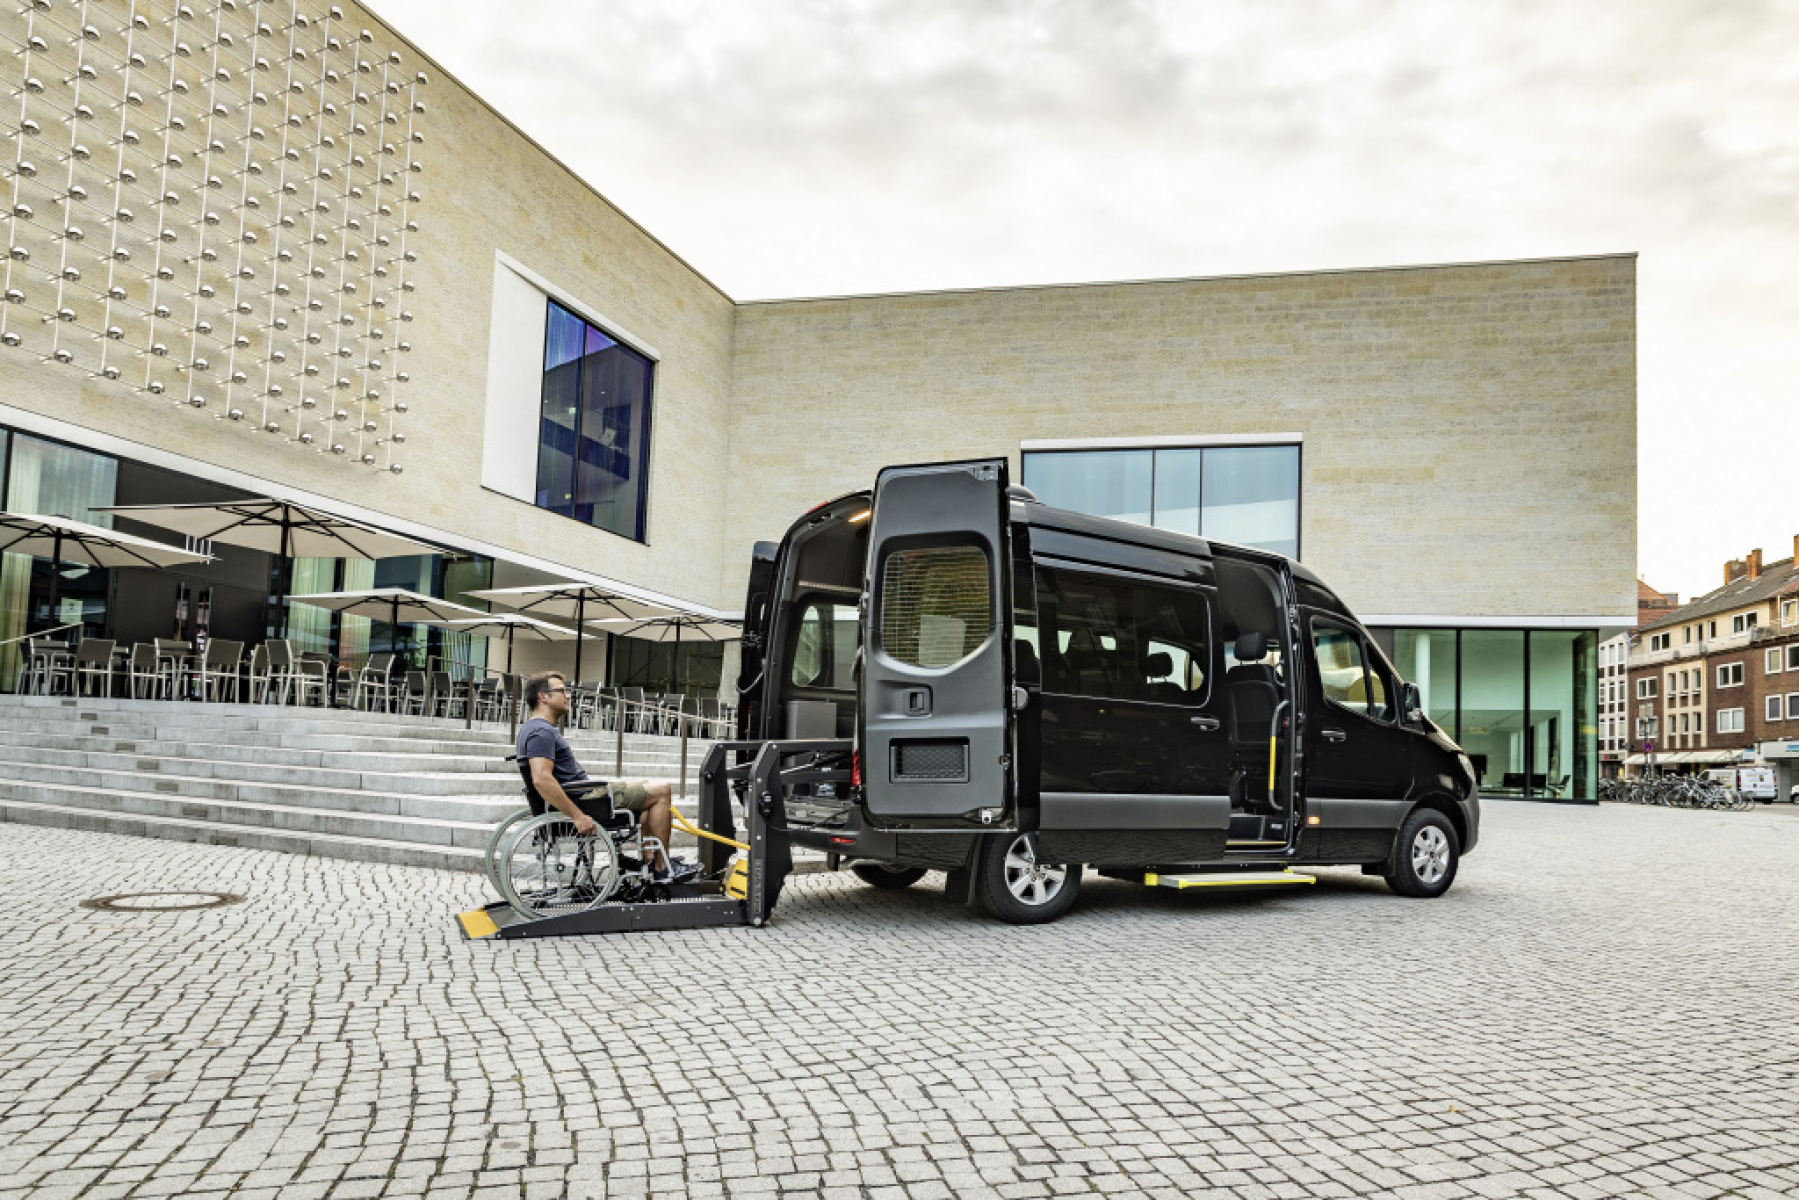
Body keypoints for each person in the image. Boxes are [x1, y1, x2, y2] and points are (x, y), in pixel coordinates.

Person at [516, 671, 694, 882]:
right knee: (662, 790)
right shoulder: (541, 732)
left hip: (582, 792)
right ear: (543, 697)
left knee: (646, 785)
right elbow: (541, 779)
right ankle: (661, 867)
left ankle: (650, 861)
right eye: (562, 691)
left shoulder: (534, 728)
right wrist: (577, 816)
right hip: (584, 800)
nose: (568, 696)